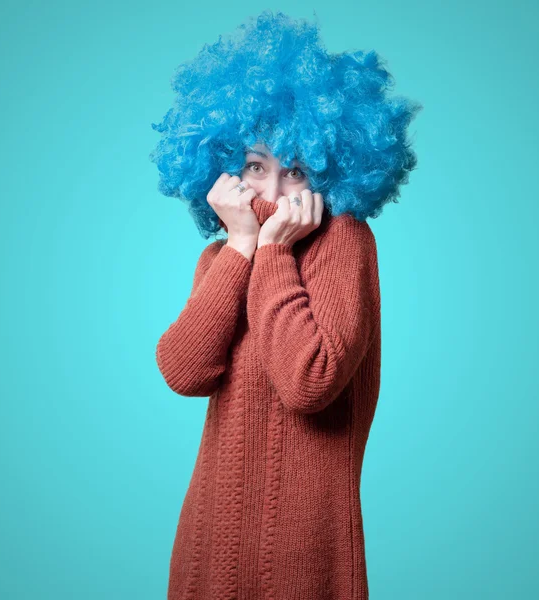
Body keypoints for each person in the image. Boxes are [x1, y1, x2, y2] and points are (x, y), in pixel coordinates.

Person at [149, 9, 421, 600]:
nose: (270, 193)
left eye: (294, 171)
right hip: (207, 539)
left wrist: (271, 254)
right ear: (224, 169)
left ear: (329, 168)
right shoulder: (227, 255)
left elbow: (311, 381)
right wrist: (243, 247)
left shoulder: (344, 242)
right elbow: (182, 370)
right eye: (254, 167)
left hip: (304, 554)